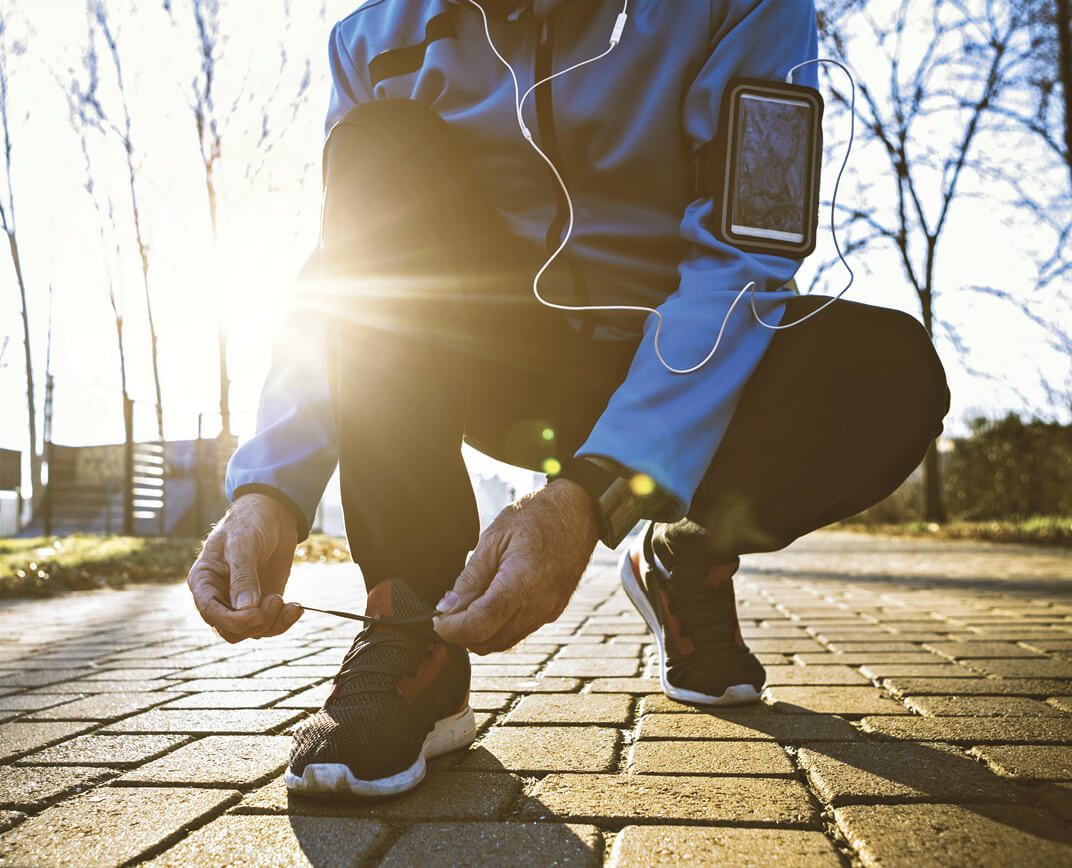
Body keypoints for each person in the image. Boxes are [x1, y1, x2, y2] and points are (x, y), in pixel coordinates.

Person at [188, 0, 949, 798]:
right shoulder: (370, 38)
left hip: (684, 351)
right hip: (499, 366)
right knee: (379, 146)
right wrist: (271, 488)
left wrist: (595, 490)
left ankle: (682, 555)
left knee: (885, 379)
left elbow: (744, 256)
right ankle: (410, 617)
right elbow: (349, 281)